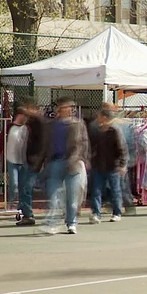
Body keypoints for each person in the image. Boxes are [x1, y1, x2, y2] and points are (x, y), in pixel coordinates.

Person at [41, 96, 89, 234]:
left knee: (73, 197)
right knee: (54, 195)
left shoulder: (78, 124)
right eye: (65, 107)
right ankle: (53, 222)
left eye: (70, 108)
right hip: (55, 162)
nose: (69, 110)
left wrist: (82, 160)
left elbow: (83, 144)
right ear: (58, 109)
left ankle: (71, 222)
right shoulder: (51, 125)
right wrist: (42, 163)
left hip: (73, 163)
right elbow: (45, 145)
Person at [89, 108, 127, 224]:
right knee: (96, 190)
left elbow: (122, 148)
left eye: (99, 116)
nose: (97, 118)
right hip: (98, 164)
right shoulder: (97, 130)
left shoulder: (114, 130)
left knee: (115, 190)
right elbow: (92, 147)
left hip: (112, 165)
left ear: (104, 117)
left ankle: (117, 212)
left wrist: (122, 164)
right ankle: (96, 213)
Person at [16, 98, 45, 226]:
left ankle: (28, 214)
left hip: (34, 160)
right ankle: (26, 213)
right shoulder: (29, 121)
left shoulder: (39, 122)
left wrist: (38, 161)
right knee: (24, 187)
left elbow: (43, 143)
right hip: (27, 159)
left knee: (27, 187)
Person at [0, 108, 28, 207]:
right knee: (14, 183)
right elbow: (0, 143)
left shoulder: (26, 128)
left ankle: (21, 203)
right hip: (11, 159)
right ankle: (11, 202)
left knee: (23, 184)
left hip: (24, 160)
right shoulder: (9, 127)